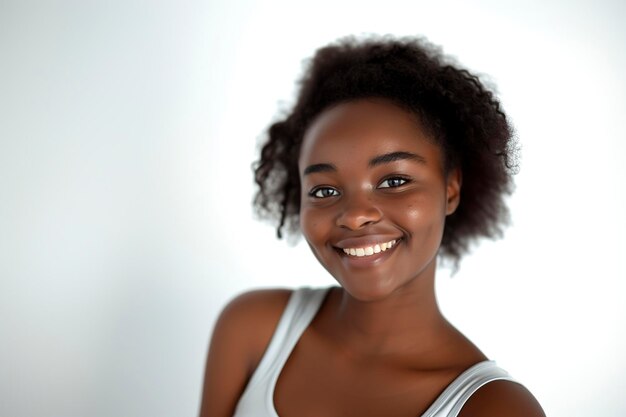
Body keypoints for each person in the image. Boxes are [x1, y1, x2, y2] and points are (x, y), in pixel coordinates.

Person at [199, 35, 546, 417]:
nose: (354, 214)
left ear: (450, 190)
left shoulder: (495, 408)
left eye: (394, 181)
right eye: (325, 189)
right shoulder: (254, 329)